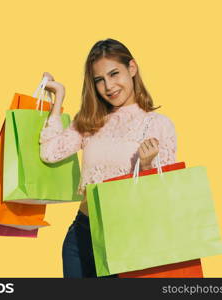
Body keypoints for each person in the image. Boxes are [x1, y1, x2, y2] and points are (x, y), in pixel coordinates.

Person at [39, 38, 177, 278]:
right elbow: (49, 153)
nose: (109, 86)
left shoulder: (157, 125)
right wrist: (58, 98)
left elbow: (161, 198)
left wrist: (145, 166)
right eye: (99, 80)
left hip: (125, 239)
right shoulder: (91, 121)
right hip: (81, 236)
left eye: (114, 74)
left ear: (131, 69)